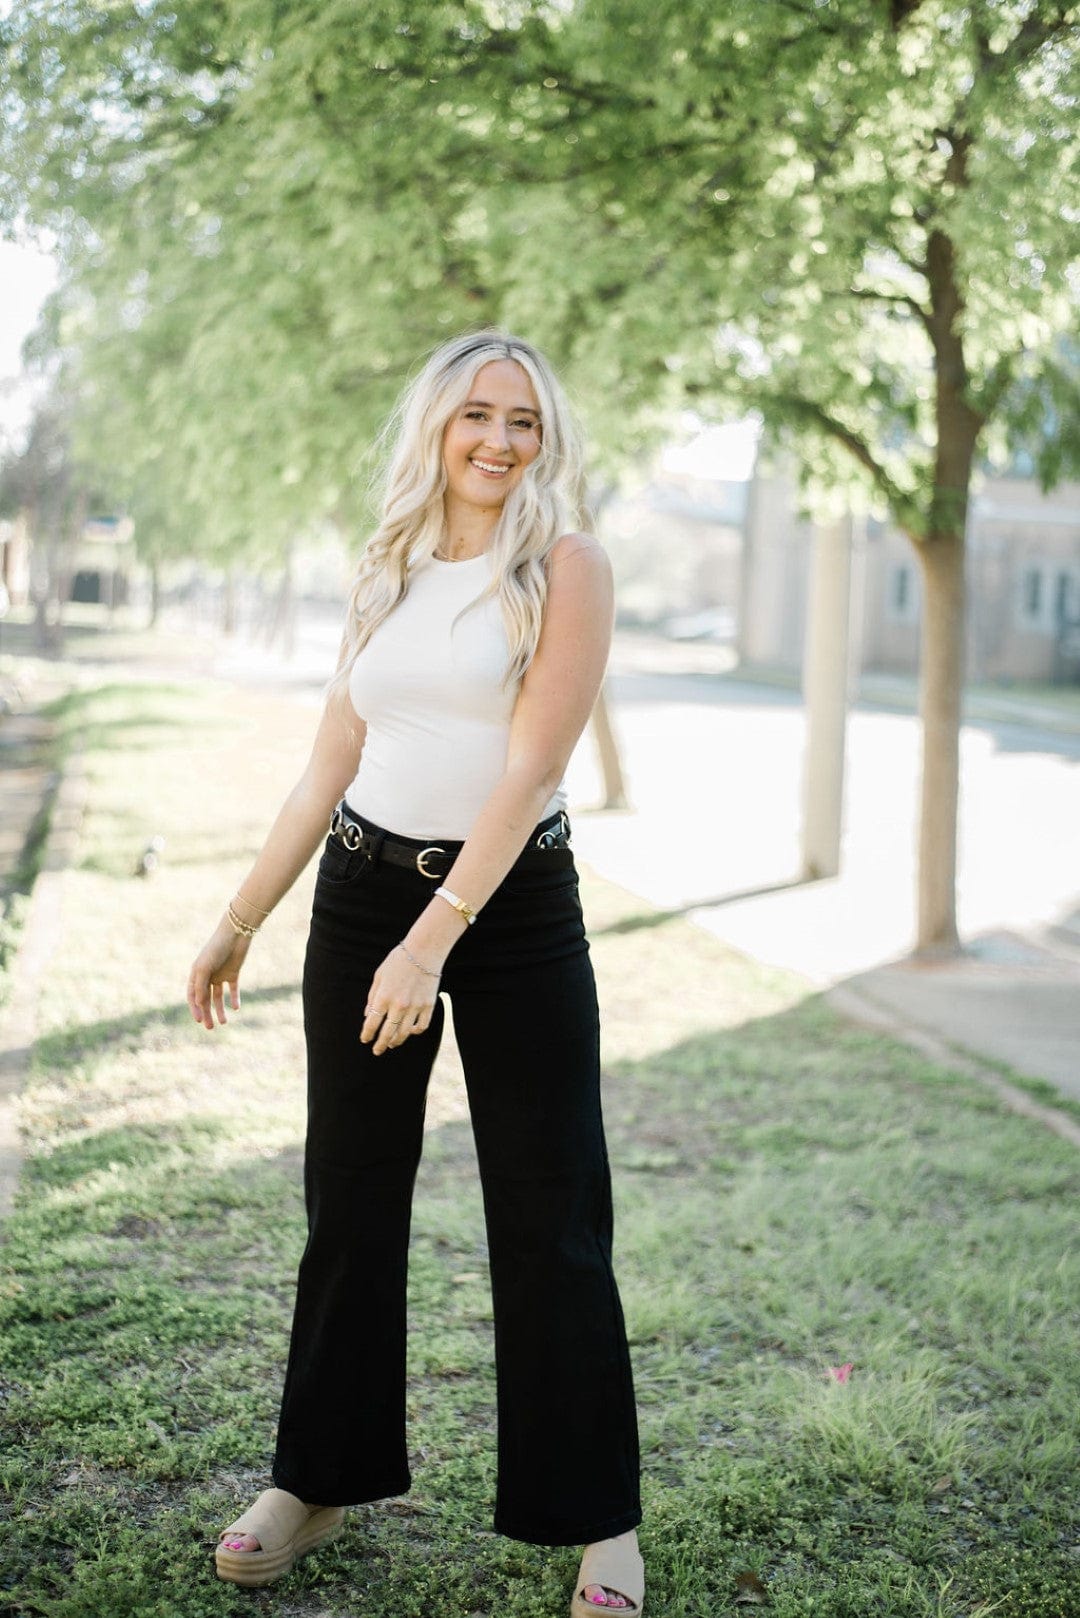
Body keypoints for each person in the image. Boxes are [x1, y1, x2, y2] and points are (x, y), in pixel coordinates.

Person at [186, 330, 645, 1617]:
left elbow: (529, 771)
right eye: (477, 418)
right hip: (362, 889)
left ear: (545, 440)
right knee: (350, 1193)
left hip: (506, 910)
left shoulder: (568, 565)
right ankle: (314, 1480)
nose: (500, 442)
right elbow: (326, 762)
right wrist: (240, 918)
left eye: (525, 422)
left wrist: (434, 937)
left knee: (551, 1212)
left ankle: (600, 1521)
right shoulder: (385, 562)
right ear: (436, 429)